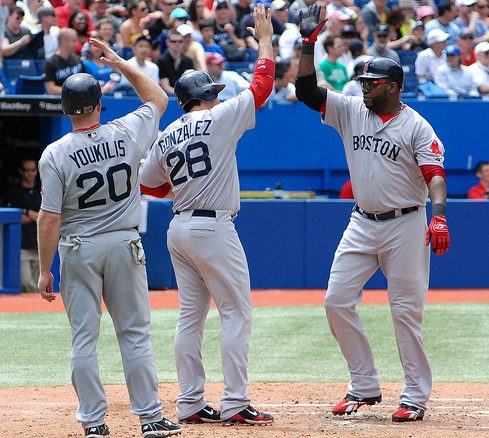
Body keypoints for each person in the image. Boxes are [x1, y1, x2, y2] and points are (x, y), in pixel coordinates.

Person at [295, 5, 450, 423]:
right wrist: (307, 44)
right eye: (363, 81)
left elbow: (435, 176)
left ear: (394, 87)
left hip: (405, 224)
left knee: (405, 312)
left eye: (373, 82)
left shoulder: (417, 126)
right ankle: (363, 385)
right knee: (335, 301)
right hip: (362, 222)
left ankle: (415, 395)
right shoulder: (351, 110)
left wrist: (439, 216)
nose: (364, 87)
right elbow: (307, 92)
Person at [36, 39, 182, 438]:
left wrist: (45, 270)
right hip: (123, 243)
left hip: (78, 248)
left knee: (84, 339)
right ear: (99, 103)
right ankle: (150, 418)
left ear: (65, 108)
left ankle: (95, 424)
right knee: (134, 335)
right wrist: (119, 63)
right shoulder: (127, 129)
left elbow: (49, 219)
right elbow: (157, 97)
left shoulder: (55, 153)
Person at [139, 4, 275, 427]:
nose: (218, 95)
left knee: (190, 316)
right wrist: (267, 42)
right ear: (204, 98)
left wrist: (181, 187)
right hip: (212, 225)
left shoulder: (166, 134)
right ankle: (235, 402)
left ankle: (190, 403)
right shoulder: (218, 117)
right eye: (212, 91)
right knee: (236, 312)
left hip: (179, 226)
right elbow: (262, 86)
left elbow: (148, 184)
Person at [4, 159, 41, 292]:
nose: (30, 173)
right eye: (27, 170)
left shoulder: (41, 191)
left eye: (33, 170)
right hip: (21, 246)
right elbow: (15, 219)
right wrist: (35, 216)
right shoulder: (14, 192)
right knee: (26, 283)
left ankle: (39, 311)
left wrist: (27, 212)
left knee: (39, 285)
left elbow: (46, 218)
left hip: (39, 246)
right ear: (21, 172)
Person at [157, 29, 194, 95]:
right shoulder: (161, 61)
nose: (177, 43)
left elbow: (190, 85)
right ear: (167, 42)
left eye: (180, 41)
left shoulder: (188, 61)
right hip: (169, 98)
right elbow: (165, 87)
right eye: (173, 41)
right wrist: (182, 95)